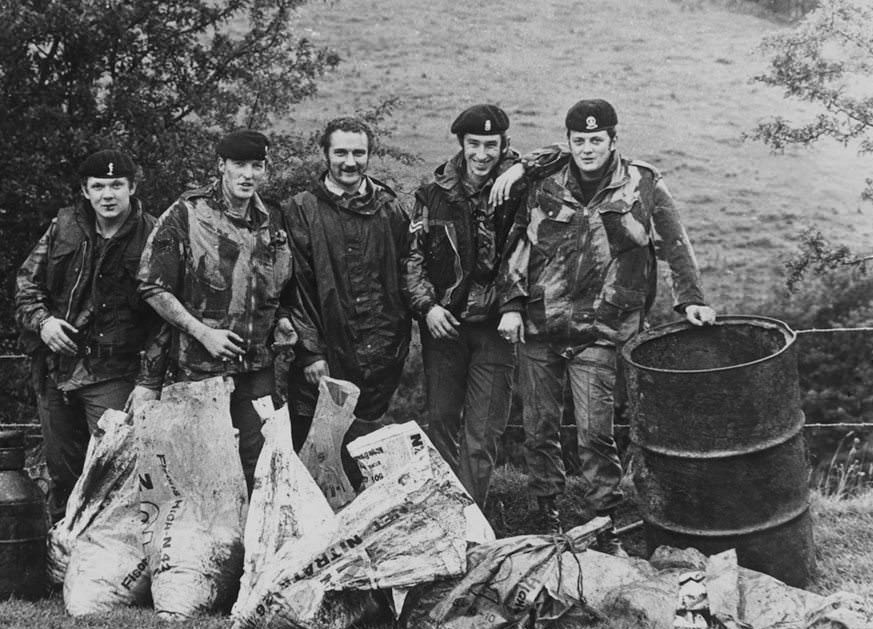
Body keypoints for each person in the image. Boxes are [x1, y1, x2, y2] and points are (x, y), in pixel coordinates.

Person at [492, 99, 716, 555]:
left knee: (596, 433)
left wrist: (690, 299)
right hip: (541, 325)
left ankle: (603, 521)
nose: (588, 148)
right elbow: (518, 245)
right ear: (569, 142)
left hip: (602, 328)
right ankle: (546, 513)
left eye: (597, 140)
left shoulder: (642, 184)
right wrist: (511, 305)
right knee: (539, 429)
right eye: (580, 141)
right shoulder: (545, 183)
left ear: (614, 140)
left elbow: (675, 242)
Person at [134, 129, 295, 486]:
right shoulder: (187, 214)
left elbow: (280, 287)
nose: (248, 174)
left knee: (261, 466)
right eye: (239, 165)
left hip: (257, 368)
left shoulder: (274, 221)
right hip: (202, 372)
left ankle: (251, 543)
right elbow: (152, 285)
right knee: (205, 470)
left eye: (257, 165)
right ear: (221, 165)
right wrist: (202, 332)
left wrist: (282, 319)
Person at [15, 149, 159, 518]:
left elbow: (165, 319)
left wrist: (148, 381)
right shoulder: (63, 227)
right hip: (56, 370)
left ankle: (112, 569)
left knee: (114, 477)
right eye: (98, 186)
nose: (107, 195)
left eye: (116, 185)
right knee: (63, 475)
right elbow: (26, 286)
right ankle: (63, 565)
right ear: (85, 190)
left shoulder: (155, 236)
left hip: (114, 373)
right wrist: (43, 322)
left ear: (133, 187)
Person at [403, 104, 524, 508]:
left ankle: (472, 520)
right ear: (461, 144)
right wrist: (428, 308)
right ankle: (443, 512)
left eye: (492, 145)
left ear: (504, 144)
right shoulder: (433, 194)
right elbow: (413, 260)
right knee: (440, 423)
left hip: (495, 328)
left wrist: (513, 306)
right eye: (475, 144)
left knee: (482, 433)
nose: (483, 154)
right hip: (445, 327)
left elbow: (561, 155)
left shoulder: (522, 185)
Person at [283, 117, 411, 489]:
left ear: (370, 154)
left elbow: (405, 274)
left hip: (381, 359)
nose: (350, 162)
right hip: (325, 359)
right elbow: (295, 286)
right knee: (317, 465)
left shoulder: (390, 208)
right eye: (341, 152)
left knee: (368, 467)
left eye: (359, 152)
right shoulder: (301, 209)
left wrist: (394, 347)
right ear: (325, 154)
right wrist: (309, 352)